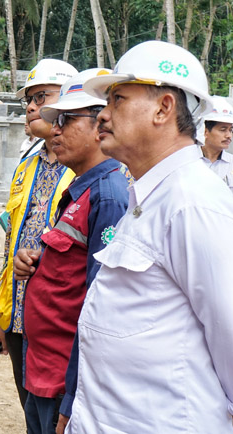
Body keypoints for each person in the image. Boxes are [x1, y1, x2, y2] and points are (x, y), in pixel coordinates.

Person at [67, 41, 233, 432]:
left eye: (118, 99)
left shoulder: (192, 203)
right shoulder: (151, 195)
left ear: (164, 109)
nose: (103, 115)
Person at [12, 69, 129, 434]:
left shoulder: (108, 196)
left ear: (101, 127)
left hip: (64, 379)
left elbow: (99, 307)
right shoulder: (81, 187)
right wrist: (36, 264)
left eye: (66, 120)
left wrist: (74, 394)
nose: (55, 130)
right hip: (43, 368)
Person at [0, 58, 78, 408]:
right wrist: (2, 317)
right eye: (28, 99)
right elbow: (10, 244)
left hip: (61, 323)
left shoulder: (95, 166)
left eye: (41, 97)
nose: (30, 106)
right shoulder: (26, 167)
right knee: (31, 414)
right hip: (20, 318)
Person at [199, 96, 233, 190]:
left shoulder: (231, 164)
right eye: (223, 130)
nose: (229, 135)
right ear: (205, 131)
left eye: (231, 130)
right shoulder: (189, 160)